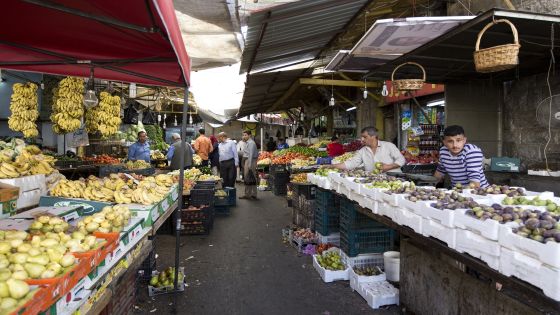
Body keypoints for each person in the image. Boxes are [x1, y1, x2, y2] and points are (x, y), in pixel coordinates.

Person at [329, 127, 405, 172]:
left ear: (373, 136)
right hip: (375, 183)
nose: (362, 139)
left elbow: (401, 159)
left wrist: (389, 167)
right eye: (361, 137)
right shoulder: (362, 151)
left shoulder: (389, 146)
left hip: (395, 181)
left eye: (365, 137)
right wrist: (331, 166)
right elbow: (351, 164)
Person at [240, 130, 258, 200]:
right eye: (243, 135)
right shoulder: (248, 142)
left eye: (245, 135)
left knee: (249, 177)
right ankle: (250, 194)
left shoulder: (251, 143)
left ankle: (250, 194)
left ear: (249, 135)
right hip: (248, 161)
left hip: (251, 161)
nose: (244, 136)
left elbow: (250, 155)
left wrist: (249, 165)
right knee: (250, 177)